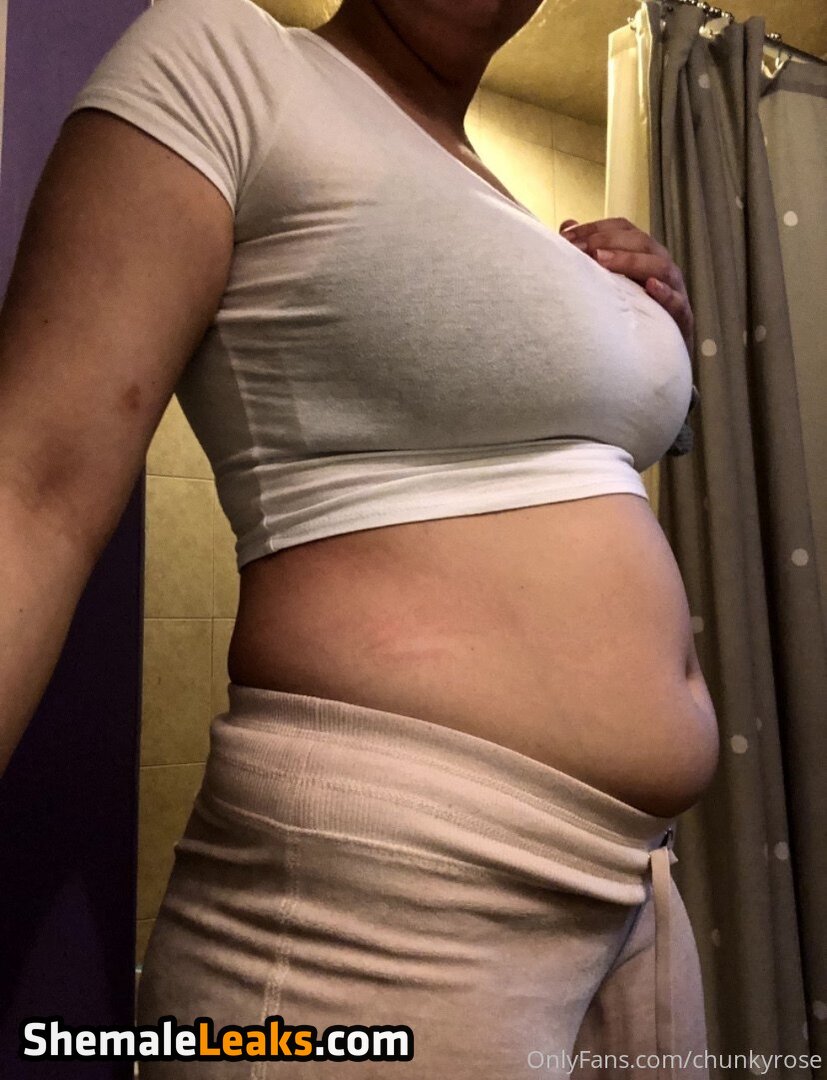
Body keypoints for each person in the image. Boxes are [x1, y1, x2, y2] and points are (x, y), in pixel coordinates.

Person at [0, 0, 719, 1075]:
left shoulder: (512, 208)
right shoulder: (232, 60)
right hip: (382, 907)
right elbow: (32, 491)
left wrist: (642, 319)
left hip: (632, 898)